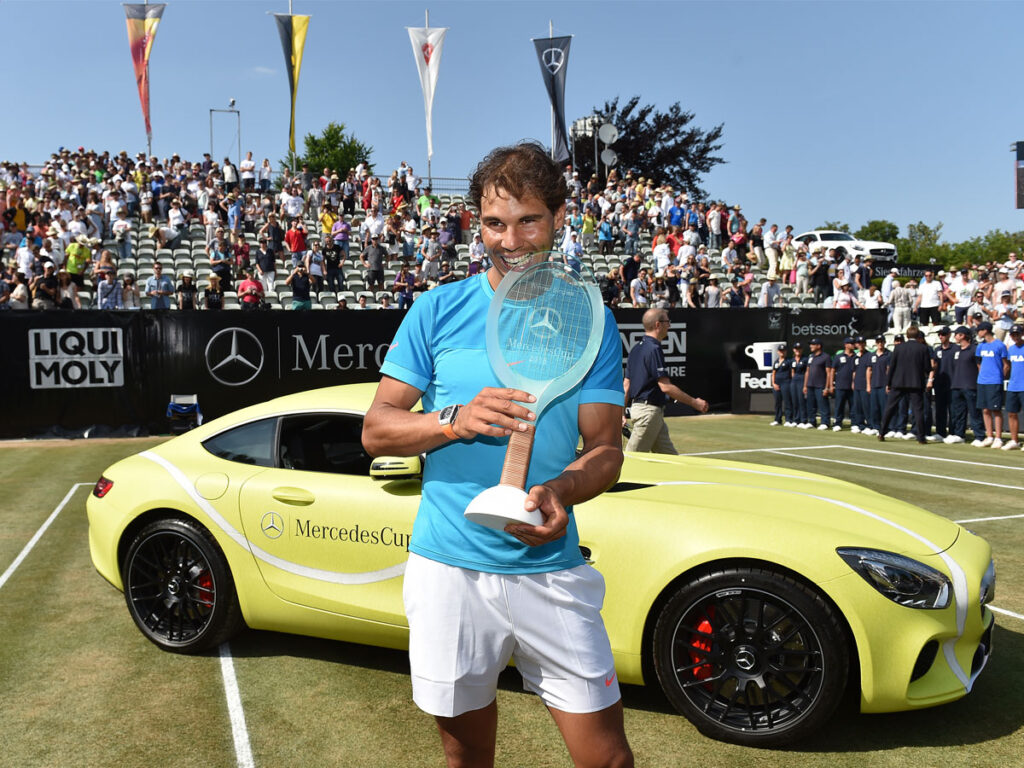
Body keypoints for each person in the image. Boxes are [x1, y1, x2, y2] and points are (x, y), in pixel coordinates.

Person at [361, 142, 634, 768]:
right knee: (467, 761)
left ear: (560, 218)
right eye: (494, 223)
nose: (510, 240)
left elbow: (605, 451)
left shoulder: (588, 319)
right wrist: (453, 421)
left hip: (550, 565)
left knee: (608, 760)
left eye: (528, 220)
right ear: (476, 223)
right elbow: (377, 430)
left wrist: (560, 492)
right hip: (448, 570)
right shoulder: (437, 309)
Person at [624, 308, 709, 454]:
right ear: (658, 324)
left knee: (669, 458)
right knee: (631, 459)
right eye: (667, 322)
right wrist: (695, 403)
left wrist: (621, 413)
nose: (669, 325)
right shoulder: (653, 348)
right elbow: (666, 387)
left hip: (645, 412)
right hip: (648, 414)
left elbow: (626, 385)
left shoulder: (636, 349)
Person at [879, 326, 932, 443]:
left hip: (898, 382)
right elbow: (928, 367)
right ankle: (921, 437)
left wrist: (888, 382)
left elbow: (892, 367)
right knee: (918, 410)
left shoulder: (898, 348)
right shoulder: (923, 348)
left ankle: (882, 432)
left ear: (907, 336)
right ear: (918, 336)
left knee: (890, 407)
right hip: (915, 382)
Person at [974, 321, 1007, 448]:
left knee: (996, 409)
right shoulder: (980, 346)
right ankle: (989, 436)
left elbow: (1006, 365)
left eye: (980, 330)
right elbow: (979, 363)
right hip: (982, 381)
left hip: (995, 381)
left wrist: (998, 376)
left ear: (986, 330)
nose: (978, 333)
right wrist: (982, 374)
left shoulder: (1000, 345)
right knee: (985, 409)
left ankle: (998, 437)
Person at [1002, 324, 1024, 450]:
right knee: (1011, 413)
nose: (1015, 336)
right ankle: (1014, 440)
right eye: (1013, 334)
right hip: (1013, 386)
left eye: (1017, 334)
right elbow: (1007, 366)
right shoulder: (1010, 350)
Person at [803, 338, 832, 429]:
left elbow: (829, 373)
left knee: (823, 405)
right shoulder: (810, 356)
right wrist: (805, 385)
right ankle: (812, 422)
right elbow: (807, 371)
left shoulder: (826, 357)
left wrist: (827, 387)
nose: (811, 346)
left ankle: (825, 422)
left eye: (813, 344)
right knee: (810, 405)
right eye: (810, 344)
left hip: (820, 385)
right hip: (810, 385)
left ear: (819, 346)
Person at [770, 344, 793, 426]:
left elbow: (792, 373)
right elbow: (773, 373)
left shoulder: (789, 361)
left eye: (783, 351)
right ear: (778, 352)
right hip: (777, 384)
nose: (782, 352)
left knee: (787, 402)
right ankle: (777, 419)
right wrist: (773, 383)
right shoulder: (776, 361)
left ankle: (788, 420)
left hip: (786, 383)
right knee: (777, 402)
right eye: (780, 351)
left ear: (786, 351)